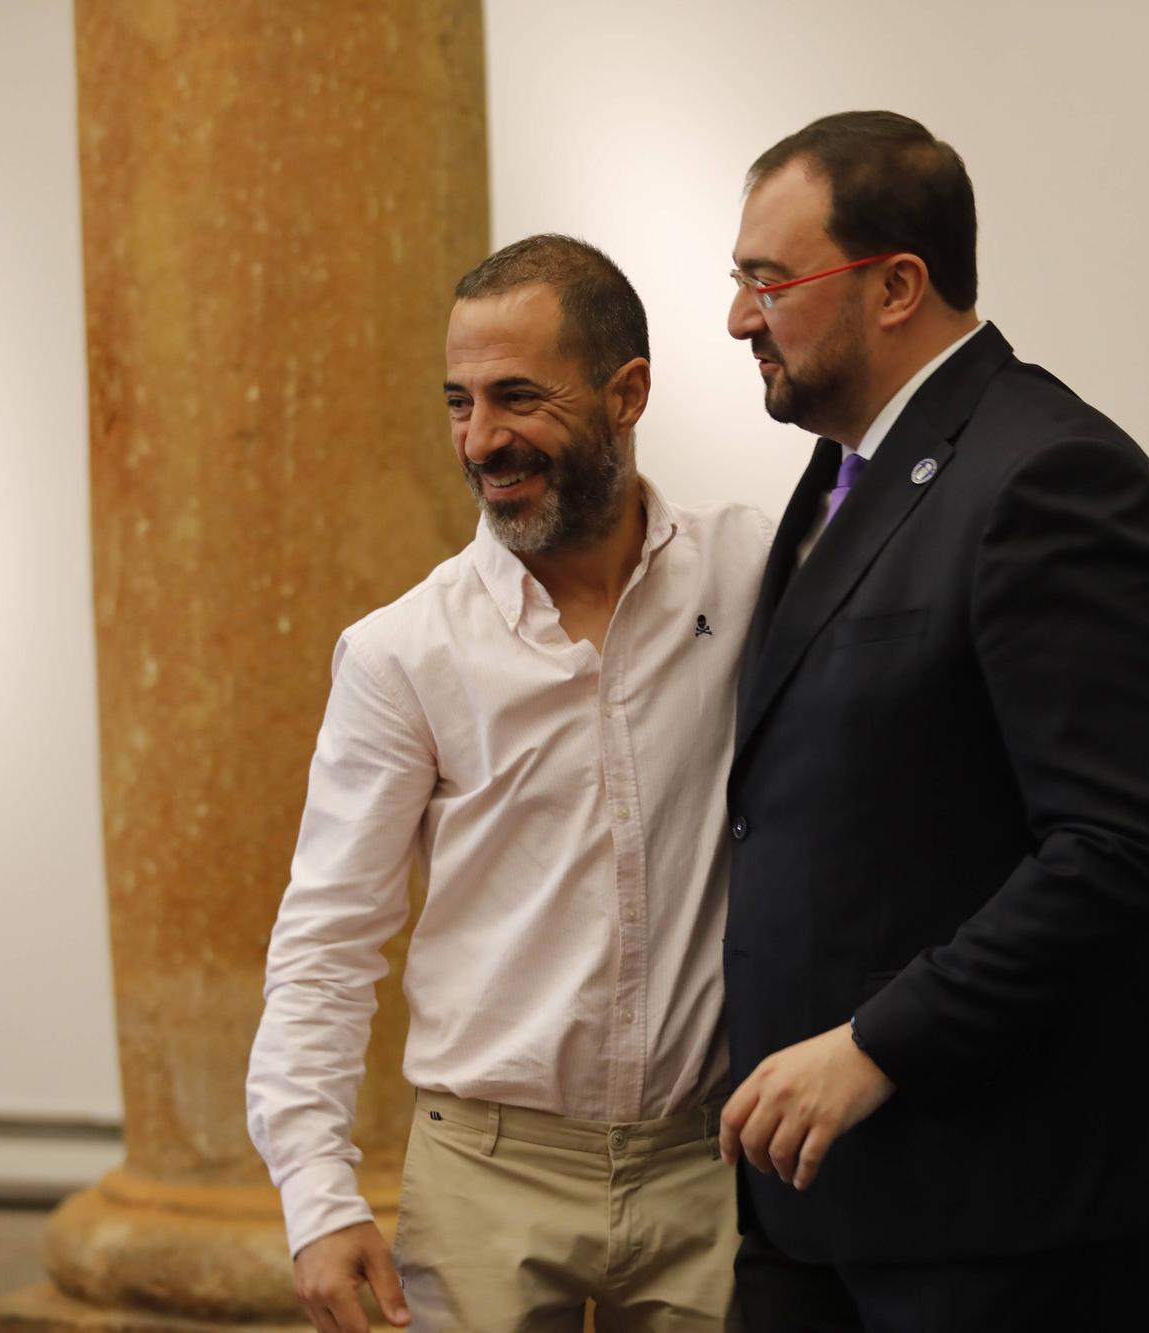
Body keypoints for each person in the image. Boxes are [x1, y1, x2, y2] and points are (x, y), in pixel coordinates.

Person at [716, 112, 1149, 1331]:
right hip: (825, 1200)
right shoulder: (845, 474)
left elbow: (1121, 848)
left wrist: (875, 1042)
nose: (740, 319)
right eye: (737, 282)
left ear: (896, 283)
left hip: (1015, 1208)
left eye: (768, 281)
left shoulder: (1047, 477)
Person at [246, 234, 770, 1333]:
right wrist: (314, 1193)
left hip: (709, 1160)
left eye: (517, 397)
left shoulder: (754, 575)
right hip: (483, 1169)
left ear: (626, 393)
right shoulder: (403, 651)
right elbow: (329, 936)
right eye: (458, 401)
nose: (481, 440)